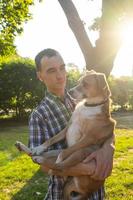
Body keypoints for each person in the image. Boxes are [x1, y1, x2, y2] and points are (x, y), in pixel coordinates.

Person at [28, 48, 115, 200]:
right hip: (63, 192)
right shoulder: (38, 115)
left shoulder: (87, 100)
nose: (60, 75)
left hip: (96, 194)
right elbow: (43, 164)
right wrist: (91, 170)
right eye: (51, 71)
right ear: (40, 76)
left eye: (62, 68)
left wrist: (109, 148)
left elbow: (105, 129)